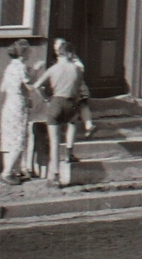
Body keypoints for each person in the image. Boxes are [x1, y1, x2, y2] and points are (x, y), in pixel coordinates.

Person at [31, 42, 87, 185]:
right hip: (71, 103)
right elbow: (78, 88)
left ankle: (55, 175)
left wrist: (46, 98)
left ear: (59, 54)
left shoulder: (53, 69)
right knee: (72, 125)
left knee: (54, 142)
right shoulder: (76, 69)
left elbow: (36, 86)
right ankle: (69, 152)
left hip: (56, 102)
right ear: (70, 54)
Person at [0, 39, 34, 184]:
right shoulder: (21, 67)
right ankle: (6, 173)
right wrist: (35, 71)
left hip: (8, 104)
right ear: (24, 54)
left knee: (8, 139)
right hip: (18, 105)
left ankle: (10, 170)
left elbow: (3, 88)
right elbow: (30, 86)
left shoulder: (10, 67)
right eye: (29, 51)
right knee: (19, 139)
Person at [52, 39, 95, 140]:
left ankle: (89, 125)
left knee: (82, 105)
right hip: (68, 90)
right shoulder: (58, 59)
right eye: (56, 50)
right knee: (79, 107)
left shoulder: (72, 58)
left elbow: (80, 68)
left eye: (60, 49)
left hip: (75, 88)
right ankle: (87, 125)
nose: (58, 52)